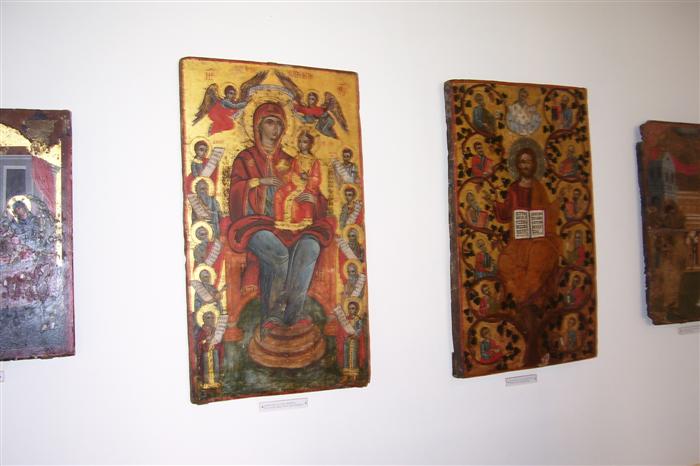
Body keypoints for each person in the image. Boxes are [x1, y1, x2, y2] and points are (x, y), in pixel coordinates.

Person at [227, 102, 334, 328]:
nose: (275, 128)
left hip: (290, 224)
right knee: (279, 253)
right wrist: (259, 181)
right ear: (258, 126)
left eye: (279, 124)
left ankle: (293, 316)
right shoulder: (245, 158)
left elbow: (311, 188)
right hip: (255, 224)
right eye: (270, 122)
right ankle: (273, 316)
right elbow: (235, 192)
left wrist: (314, 199)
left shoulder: (292, 160)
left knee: (310, 247)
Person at [488, 141, 561, 304]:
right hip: (518, 239)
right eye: (522, 162)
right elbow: (505, 213)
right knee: (505, 260)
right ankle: (519, 298)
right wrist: (495, 203)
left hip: (539, 238)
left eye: (528, 161)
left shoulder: (539, 187)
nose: (525, 165)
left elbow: (548, 213)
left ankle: (530, 297)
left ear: (534, 164)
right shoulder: (513, 189)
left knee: (540, 255)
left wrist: (556, 205)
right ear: (517, 165)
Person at [272, 130, 323, 231]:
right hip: (294, 184)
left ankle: (297, 226)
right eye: (299, 141)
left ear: (311, 144)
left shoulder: (314, 161)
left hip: (307, 186)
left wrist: (308, 178)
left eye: (304, 142)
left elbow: (316, 178)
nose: (301, 144)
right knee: (279, 194)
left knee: (296, 201)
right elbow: (291, 172)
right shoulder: (297, 158)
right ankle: (280, 223)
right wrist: (283, 173)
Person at [195, 310, 223, 389]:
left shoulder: (215, 330)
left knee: (216, 368)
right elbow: (198, 343)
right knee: (206, 368)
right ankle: (206, 383)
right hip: (205, 354)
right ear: (204, 319)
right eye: (208, 318)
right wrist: (205, 341)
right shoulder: (201, 331)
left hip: (215, 353)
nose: (211, 320)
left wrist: (216, 343)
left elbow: (220, 343)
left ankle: (216, 382)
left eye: (213, 318)